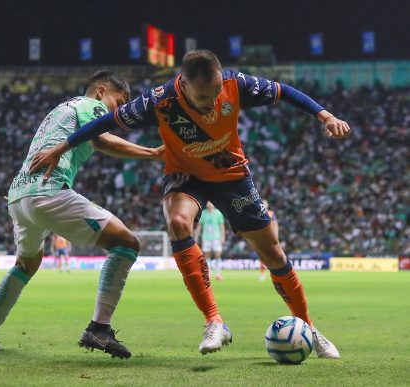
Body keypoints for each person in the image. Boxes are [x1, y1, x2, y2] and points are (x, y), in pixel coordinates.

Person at [30, 50, 350, 358]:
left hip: (230, 173)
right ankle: (214, 321)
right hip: (184, 175)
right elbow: (107, 123)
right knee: (179, 222)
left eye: (214, 95)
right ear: (183, 83)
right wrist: (63, 146)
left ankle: (309, 326)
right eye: (202, 98)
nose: (211, 104)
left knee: (273, 253)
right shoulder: (160, 100)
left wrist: (325, 114)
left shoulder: (235, 84)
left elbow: (284, 91)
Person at [0, 70, 164, 359]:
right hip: (47, 191)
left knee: (25, 266)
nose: (118, 111)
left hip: (19, 195)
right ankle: (99, 328)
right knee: (127, 243)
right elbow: (103, 141)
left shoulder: (60, 109)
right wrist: (153, 153)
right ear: (101, 91)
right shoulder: (92, 106)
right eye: (118, 101)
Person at [195, 202, 225, 281]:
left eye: (210, 203)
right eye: (208, 203)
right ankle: (208, 274)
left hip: (216, 238)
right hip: (206, 238)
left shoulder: (218, 213)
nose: (209, 205)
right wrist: (196, 236)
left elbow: (221, 226)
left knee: (217, 254)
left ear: (213, 204)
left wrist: (222, 237)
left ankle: (218, 274)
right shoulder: (204, 213)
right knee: (207, 255)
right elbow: (199, 226)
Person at [259, 200, 277, 281]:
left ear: (268, 205)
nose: (264, 204)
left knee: (272, 256)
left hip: (271, 237)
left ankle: (274, 273)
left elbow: (276, 225)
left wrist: (276, 236)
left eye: (265, 203)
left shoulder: (271, 213)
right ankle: (262, 274)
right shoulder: (259, 213)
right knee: (262, 256)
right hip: (262, 237)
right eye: (263, 203)